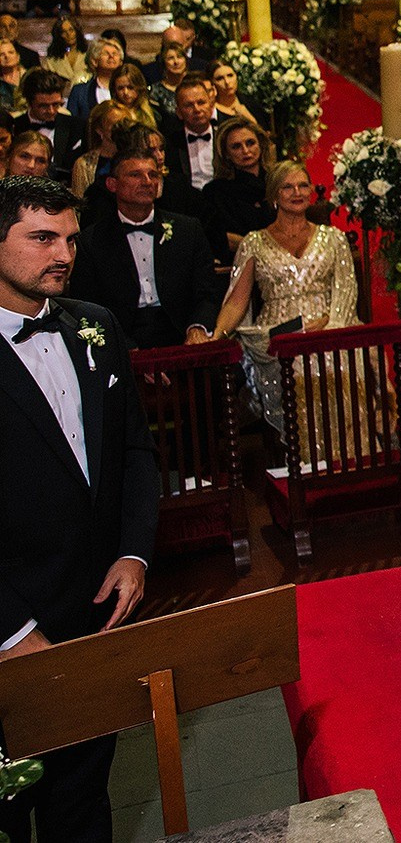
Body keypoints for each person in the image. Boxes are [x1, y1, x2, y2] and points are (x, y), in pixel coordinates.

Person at [0, 176, 158, 843]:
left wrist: (134, 550)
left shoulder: (96, 324)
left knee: (83, 807)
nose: (61, 252)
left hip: (92, 618)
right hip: (10, 633)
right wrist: (7, 631)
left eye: (68, 237)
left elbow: (135, 452)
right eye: (41, 237)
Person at [210, 163, 363, 450]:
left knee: (335, 366)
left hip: (330, 329)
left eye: (303, 185)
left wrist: (328, 328)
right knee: (291, 368)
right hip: (276, 336)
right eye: (288, 187)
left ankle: (345, 459)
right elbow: (237, 301)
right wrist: (217, 336)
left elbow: (345, 294)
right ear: (274, 196)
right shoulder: (254, 242)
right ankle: (302, 462)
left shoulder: (334, 239)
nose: (297, 192)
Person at [68, 150, 223, 350]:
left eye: (153, 175)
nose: (147, 181)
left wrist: (198, 328)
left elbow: (207, 292)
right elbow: (86, 306)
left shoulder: (188, 230)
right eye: (135, 175)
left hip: (179, 330)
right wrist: (123, 348)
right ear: (112, 184)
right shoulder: (91, 240)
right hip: (122, 335)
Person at [200, 119, 275, 262]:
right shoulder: (215, 192)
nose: (245, 151)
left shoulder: (278, 183)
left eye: (250, 143)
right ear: (226, 153)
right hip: (238, 265)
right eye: (236, 147)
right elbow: (218, 237)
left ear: (260, 144)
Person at [162, 79, 230, 216]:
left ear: (211, 106)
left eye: (201, 102)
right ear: (179, 113)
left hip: (224, 207)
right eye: (188, 105)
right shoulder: (169, 144)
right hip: (185, 210)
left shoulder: (226, 140)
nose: (197, 109)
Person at [13, 69, 86, 171]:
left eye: (56, 104)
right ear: (29, 102)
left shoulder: (77, 126)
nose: (51, 111)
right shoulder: (14, 127)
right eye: (43, 106)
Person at [69, 101, 135, 201]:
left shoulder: (135, 158)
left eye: (124, 123)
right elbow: (79, 203)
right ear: (99, 130)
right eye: (115, 125)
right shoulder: (84, 164)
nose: (121, 129)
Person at [66, 39, 124, 118]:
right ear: (94, 61)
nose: (111, 56)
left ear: (121, 62)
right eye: (106, 53)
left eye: (115, 54)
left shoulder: (129, 89)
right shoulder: (80, 92)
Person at [143, 20, 202, 85]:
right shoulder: (149, 72)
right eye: (170, 46)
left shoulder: (200, 68)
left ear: (185, 44)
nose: (176, 61)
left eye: (177, 46)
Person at [148, 42, 193, 117]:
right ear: (164, 63)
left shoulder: (196, 85)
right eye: (170, 58)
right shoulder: (156, 91)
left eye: (179, 57)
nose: (176, 62)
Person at [209, 59, 258, 126]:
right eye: (220, 78)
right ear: (212, 83)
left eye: (230, 75)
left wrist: (250, 120)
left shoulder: (250, 102)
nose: (227, 82)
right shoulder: (211, 111)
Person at [43, 13, 89, 83]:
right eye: (63, 32)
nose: (69, 34)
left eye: (71, 30)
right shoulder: (52, 60)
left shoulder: (88, 55)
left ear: (77, 31)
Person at [0, 38, 27, 115]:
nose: (7, 56)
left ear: (18, 57)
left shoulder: (30, 77)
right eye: (1, 54)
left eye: (11, 52)